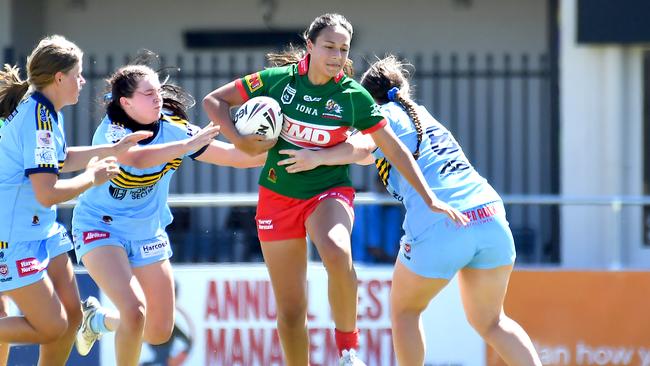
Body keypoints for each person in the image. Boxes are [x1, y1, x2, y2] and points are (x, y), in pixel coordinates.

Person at [203, 14, 467, 366]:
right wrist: (241, 141)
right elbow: (213, 101)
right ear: (310, 46)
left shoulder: (352, 96)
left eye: (343, 49)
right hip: (277, 198)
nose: (337, 55)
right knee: (292, 310)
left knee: (337, 250)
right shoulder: (277, 82)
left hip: (329, 192)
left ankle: (347, 351)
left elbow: (391, 147)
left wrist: (429, 197)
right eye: (329, 46)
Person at [283, 55, 542, 365]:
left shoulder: (381, 117)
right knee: (492, 322)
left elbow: (363, 148)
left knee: (405, 311)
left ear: (369, 100)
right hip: (489, 215)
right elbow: (371, 154)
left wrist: (316, 157)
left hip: (441, 223)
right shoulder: (422, 114)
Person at [72, 62, 265, 366]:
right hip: (100, 228)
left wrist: (279, 152)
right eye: (148, 94)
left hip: (148, 232)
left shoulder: (172, 127)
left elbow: (232, 157)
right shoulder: (112, 131)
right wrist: (186, 145)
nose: (157, 98)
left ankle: (97, 321)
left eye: (158, 91)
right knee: (135, 312)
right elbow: (136, 158)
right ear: (126, 103)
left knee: (159, 331)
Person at [0, 35, 149, 366]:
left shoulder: (45, 108)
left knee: (71, 320)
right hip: (14, 237)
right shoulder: (37, 117)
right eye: (78, 74)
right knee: (52, 326)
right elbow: (47, 192)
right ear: (59, 78)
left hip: (42, 229)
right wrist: (92, 178)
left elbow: (57, 158)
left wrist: (112, 149)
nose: (82, 81)